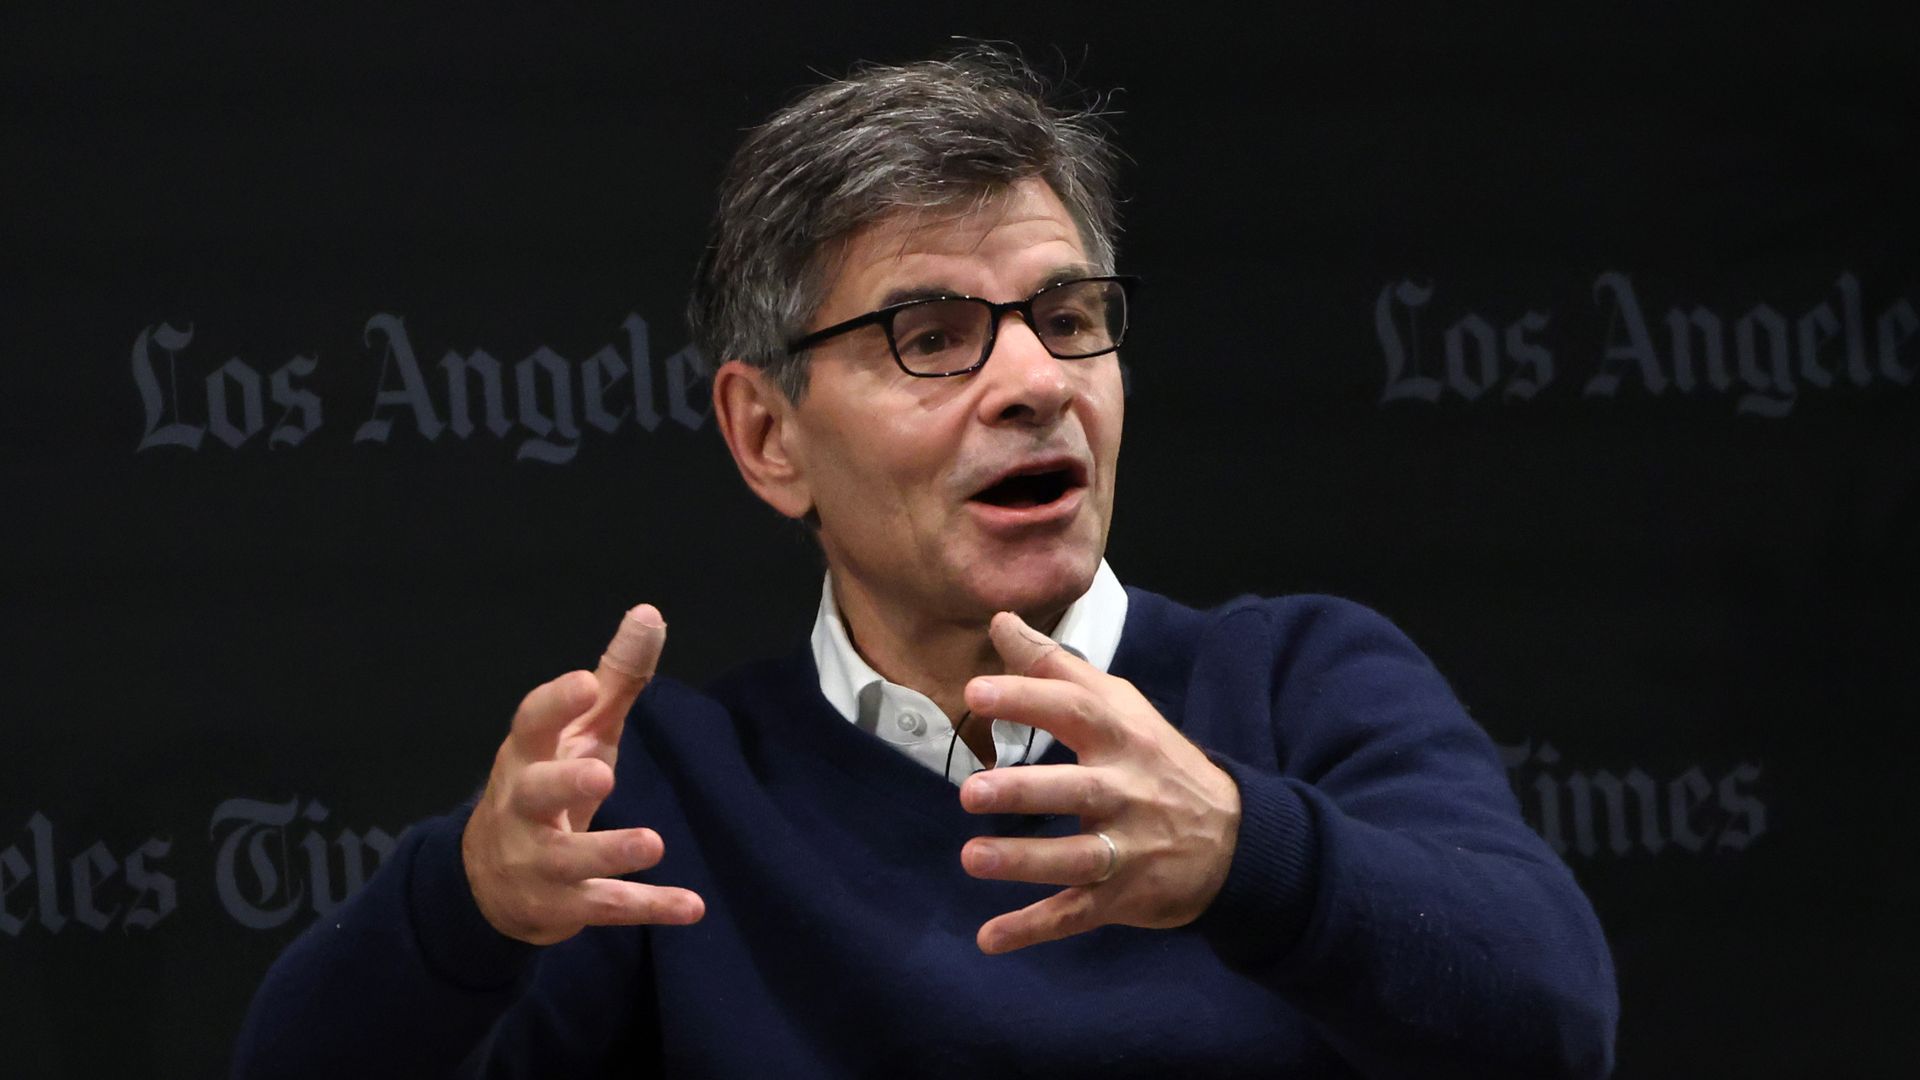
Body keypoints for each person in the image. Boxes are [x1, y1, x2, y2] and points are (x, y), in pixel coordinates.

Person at [233, 48, 1617, 1078]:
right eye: (934, 336)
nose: (1035, 379)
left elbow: (1557, 1022)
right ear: (767, 435)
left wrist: (1250, 858)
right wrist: (465, 907)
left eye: (1069, 316)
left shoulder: (1299, 684)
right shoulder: (673, 795)